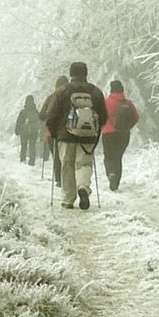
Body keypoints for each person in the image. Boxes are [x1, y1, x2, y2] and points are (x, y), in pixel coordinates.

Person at [44, 61, 107, 210]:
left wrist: (54, 133)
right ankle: (83, 187)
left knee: (67, 165)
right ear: (86, 73)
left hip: (65, 136)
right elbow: (103, 116)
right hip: (88, 135)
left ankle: (67, 199)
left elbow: (52, 115)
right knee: (83, 163)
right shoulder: (95, 92)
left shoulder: (62, 91)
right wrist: (96, 132)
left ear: (71, 74)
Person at [101, 79, 140, 191]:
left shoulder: (106, 102)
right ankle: (116, 181)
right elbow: (136, 117)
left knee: (108, 156)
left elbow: (100, 116)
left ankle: (111, 174)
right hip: (124, 134)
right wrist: (127, 127)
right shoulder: (128, 103)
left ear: (111, 89)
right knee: (118, 157)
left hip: (108, 134)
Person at [39, 75, 68, 185]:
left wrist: (47, 117)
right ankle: (66, 178)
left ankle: (58, 178)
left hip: (51, 131)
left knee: (56, 155)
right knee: (66, 155)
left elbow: (41, 115)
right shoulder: (70, 98)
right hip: (67, 131)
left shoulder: (50, 98)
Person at [14, 94, 40, 164]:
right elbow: (39, 121)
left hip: (24, 132)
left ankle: (22, 160)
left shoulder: (23, 112)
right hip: (34, 132)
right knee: (32, 147)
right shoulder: (36, 112)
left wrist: (17, 130)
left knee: (23, 147)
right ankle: (32, 162)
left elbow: (19, 122)